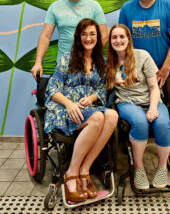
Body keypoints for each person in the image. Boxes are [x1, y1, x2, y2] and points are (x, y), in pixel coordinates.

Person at [44, 18, 118, 202]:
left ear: (97, 37)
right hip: (64, 108)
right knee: (97, 119)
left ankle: (85, 169)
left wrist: (92, 98)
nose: (88, 38)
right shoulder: (67, 58)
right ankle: (71, 173)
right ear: (78, 37)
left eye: (92, 34)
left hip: (88, 108)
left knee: (112, 115)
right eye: (84, 34)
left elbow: (101, 90)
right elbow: (52, 89)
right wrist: (70, 104)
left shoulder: (101, 61)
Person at [106, 24, 170, 189]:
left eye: (122, 36)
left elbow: (154, 87)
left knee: (163, 123)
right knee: (140, 122)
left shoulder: (142, 56)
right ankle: (139, 168)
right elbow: (103, 89)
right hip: (127, 102)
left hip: (151, 99)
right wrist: (112, 80)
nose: (118, 40)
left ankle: (162, 167)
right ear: (110, 41)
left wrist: (153, 108)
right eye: (114, 37)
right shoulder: (108, 62)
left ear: (129, 39)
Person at [31, 0, 108, 79]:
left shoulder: (94, 6)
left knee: (87, 96)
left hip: (89, 66)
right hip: (63, 66)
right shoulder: (55, 7)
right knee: (58, 95)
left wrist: (89, 57)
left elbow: (104, 35)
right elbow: (45, 36)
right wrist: (38, 62)